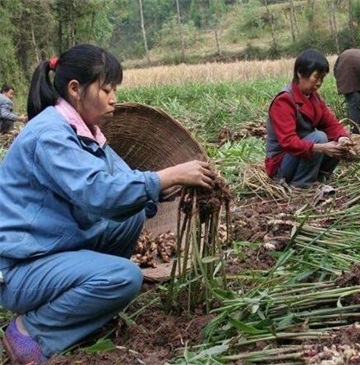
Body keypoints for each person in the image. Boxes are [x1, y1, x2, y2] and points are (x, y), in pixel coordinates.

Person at [0, 44, 216, 364]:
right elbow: (98, 193)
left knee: (132, 215)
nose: (113, 98)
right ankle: (31, 331)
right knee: (126, 277)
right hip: (21, 267)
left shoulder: (87, 133)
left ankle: (87, 298)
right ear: (75, 90)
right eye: (106, 89)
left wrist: (170, 190)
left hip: (53, 249)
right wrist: (167, 175)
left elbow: (126, 184)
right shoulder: (50, 134)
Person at [265, 49, 351, 189]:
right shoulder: (284, 101)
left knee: (336, 145)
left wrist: (342, 138)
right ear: (300, 73)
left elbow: (330, 124)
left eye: (322, 78)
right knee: (320, 137)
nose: (319, 83)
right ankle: (301, 185)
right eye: (316, 77)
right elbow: (288, 142)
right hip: (281, 164)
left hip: (301, 156)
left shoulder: (314, 97)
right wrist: (321, 148)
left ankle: (319, 178)